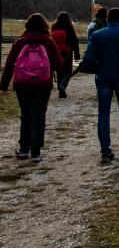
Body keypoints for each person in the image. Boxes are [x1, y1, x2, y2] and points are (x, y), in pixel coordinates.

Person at [81, 7, 119, 165]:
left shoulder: (97, 35)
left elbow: (88, 58)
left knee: (103, 113)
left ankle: (105, 150)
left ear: (108, 19)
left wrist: (99, 67)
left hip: (103, 77)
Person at [0, 13, 63, 163]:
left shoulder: (20, 42)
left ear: (27, 25)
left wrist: (3, 86)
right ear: (44, 26)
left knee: (26, 114)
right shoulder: (48, 42)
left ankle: (23, 149)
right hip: (43, 84)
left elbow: (9, 65)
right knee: (39, 116)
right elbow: (59, 64)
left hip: (22, 84)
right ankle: (35, 152)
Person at [50, 12, 81, 98]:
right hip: (67, 52)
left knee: (60, 71)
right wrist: (77, 54)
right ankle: (62, 86)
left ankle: (60, 89)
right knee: (68, 72)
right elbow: (74, 41)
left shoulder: (54, 27)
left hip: (57, 53)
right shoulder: (69, 28)